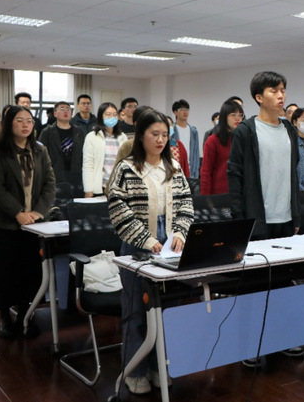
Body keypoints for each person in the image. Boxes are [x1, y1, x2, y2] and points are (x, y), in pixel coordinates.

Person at [108, 110, 193, 394]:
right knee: (136, 312)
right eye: (154, 134)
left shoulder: (173, 167)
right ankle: (134, 371)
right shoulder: (126, 168)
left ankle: (160, 367)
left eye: (164, 135)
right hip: (137, 247)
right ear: (141, 136)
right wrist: (144, 238)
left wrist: (180, 232)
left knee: (166, 311)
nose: (160, 140)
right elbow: (118, 207)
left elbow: (186, 204)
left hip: (169, 248)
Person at [0, 105, 55, 338]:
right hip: (6, 223)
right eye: (19, 120)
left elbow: (50, 184)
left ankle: (27, 313)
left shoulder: (40, 150)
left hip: (34, 224)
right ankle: (5, 316)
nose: (25, 125)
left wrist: (38, 212)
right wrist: (18, 212)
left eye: (29, 121)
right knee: (6, 272)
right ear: (9, 124)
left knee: (31, 272)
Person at [228, 71, 300, 240]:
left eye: (282, 90)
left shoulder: (290, 130)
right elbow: (235, 176)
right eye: (273, 91)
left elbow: (294, 174)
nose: (280, 95)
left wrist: (296, 215)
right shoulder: (245, 131)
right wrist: (239, 217)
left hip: (286, 218)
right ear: (259, 97)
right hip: (257, 218)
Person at [82, 102, 128, 197]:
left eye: (114, 115)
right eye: (108, 114)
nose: (112, 117)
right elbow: (88, 165)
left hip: (119, 187)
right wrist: (88, 190)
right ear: (101, 117)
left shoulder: (122, 137)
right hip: (100, 187)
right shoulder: (92, 137)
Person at [38, 101, 86, 190]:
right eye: (62, 109)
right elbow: (41, 155)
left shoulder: (79, 132)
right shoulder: (47, 132)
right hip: (55, 174)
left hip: (76, 174)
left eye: (68, 109)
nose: (65, 111)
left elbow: (84, 153)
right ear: (55, 114)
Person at [200, 100, 243, 195]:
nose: (238, 118)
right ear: (224, 117)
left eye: (240, 115)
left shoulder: (242, 139)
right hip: (219, 194)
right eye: (233, 115)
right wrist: (206, 198)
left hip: (240, 193)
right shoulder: (213, 140)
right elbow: (206, 172)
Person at [171, 99, 200, 179]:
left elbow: (196, 152)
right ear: (175, 112)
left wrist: (196, 172)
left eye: (187, 110)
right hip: (176, 169)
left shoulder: (193, 131)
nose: (185, 112)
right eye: (181, 110)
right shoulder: (172, 130)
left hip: (191, 171)